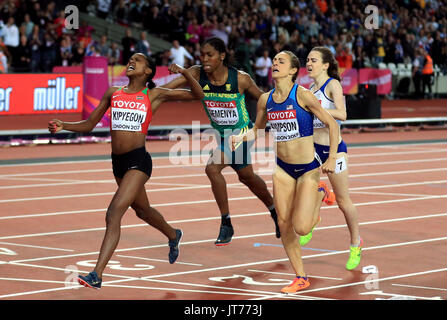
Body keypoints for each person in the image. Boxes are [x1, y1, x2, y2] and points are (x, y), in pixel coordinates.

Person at [48, 53, 204, 289]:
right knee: (142, 211)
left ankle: (97, 275)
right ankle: (173, 234)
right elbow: (90, 124)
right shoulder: (113, 93)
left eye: (138, 60)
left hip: (139, 161)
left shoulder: (154, 94)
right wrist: (63, 125)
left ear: (148, 71)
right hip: (118, 162)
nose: (131, 62)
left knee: (113, 213)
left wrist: (184, 73)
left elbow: (198, 95)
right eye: (130, 59)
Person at [231, 50, 339, 293]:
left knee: (302, 228)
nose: (275, 64)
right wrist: (241, 136)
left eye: (281, 61)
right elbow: (257, 129)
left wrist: (331, 157)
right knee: (284, 223)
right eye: (273, 61)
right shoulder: (265, 100)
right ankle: (301, 276)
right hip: (282, 169)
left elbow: (332, 124)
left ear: (292, 70)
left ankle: (321, 192)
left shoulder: (303, 95)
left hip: (309, 169)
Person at [163, 37, 281, 245]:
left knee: (212, 168)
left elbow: (262, 99)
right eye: (202, 55)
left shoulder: (240, 79)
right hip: (222, 135)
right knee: (247, 177)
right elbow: (167, 89)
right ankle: (275, 212)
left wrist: (271, 119)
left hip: (242, 132)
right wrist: (146, 94)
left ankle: (226, 223)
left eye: (210, 55)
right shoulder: (197, 73)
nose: (205, 59)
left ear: (222, 56)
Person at [305, 46, 363, 270]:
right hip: (313, 148)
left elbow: (343, 114)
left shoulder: (333, 85)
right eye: (308, 60)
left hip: (334, 149)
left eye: (314, 60)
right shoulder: (309, 88)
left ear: (326, 65)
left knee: (342, 201)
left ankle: (356, 243)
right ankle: (317, 205)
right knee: (304, 190)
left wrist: (318, 110)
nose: (309, 63)